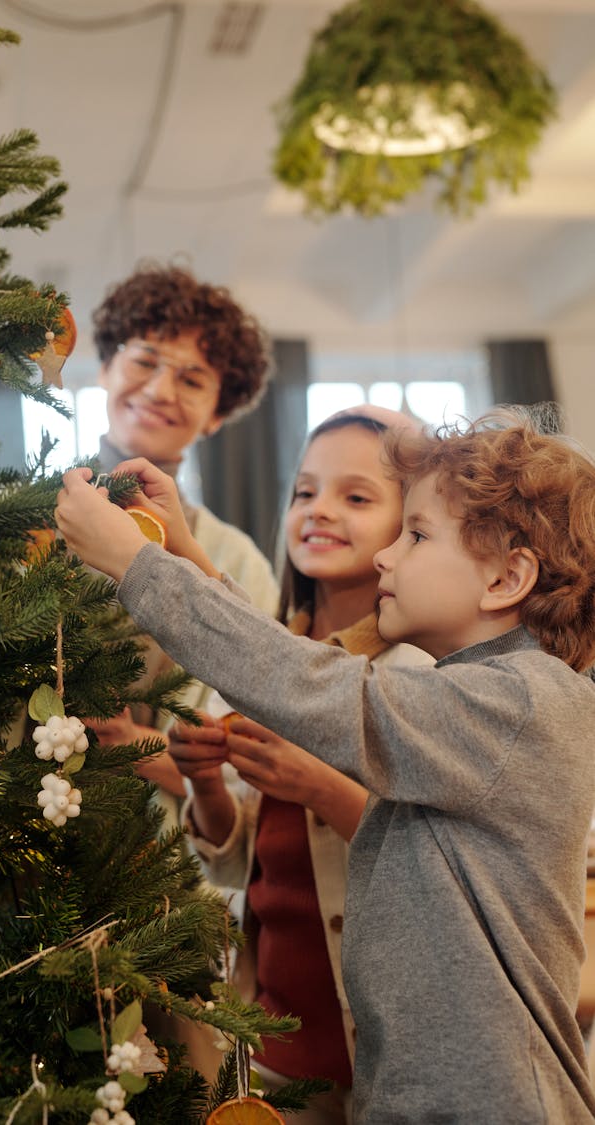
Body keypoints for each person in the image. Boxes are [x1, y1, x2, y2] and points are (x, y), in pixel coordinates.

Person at [55, 408, 595, 1123]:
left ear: (506, 577)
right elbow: (306, 671)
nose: (385, 558)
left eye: (417, 533)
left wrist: (139, 564)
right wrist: (184, 550)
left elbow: (313, 687)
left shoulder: (522, 702)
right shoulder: (485, 697)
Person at [165, 407, 431, 1123]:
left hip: (380, 1053)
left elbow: (433, 862)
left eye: (356, 496)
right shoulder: (264, 661)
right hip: (275, 1041)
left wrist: (312, 781)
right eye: (304, 492)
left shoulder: (413, 673)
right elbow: (241, 862)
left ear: (410, 527)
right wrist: (201, 779)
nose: (320, 511)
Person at [86, 261, 279, 805]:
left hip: (163, 863)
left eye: (192, 380)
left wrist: (132, 743)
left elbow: (243, 752)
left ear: (217, 413)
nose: (160, 389)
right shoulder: (18, 518)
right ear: (105, 367)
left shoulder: (235, 562)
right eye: (145, 360)